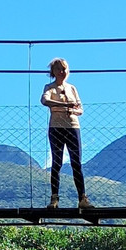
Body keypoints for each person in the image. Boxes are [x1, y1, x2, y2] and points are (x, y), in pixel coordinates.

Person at [40, 58, 91, 209]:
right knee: (57, 162)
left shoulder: (72, 88)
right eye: (58, 69)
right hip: (56, 127)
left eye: (64, 69)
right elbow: (44, 101)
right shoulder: (49, 87)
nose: (62, 72)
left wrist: (71, 109)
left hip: (73, 126)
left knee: (77, 163)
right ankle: (54, 199)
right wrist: (65, 105)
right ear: (53, 72)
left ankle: (82, 199)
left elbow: (80, 109)